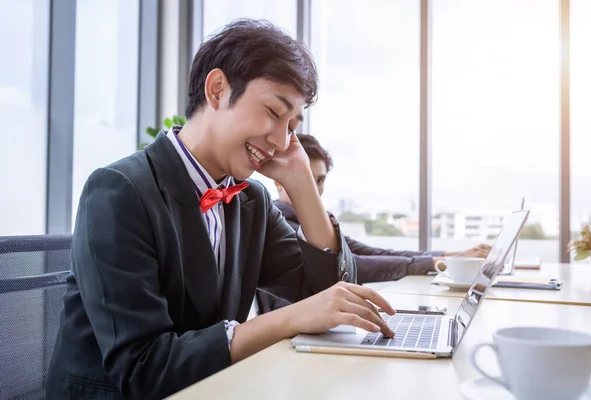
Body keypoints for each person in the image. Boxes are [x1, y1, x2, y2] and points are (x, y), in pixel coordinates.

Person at [46, 20, 397, 400]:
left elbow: (329, 295)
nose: (282, 142)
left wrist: (302, 186)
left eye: (292, 126)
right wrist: (287, 319)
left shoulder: (250, 201)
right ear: (217, 90)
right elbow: (144, 368)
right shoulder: (119, 191)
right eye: (274, 112)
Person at [255, 134, 490, 314]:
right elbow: (353, 264)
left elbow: (371, 252)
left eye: (319, 180)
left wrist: (450, 255)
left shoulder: (317, 223)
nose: (314, 189)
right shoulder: (277, 218)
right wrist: (435, 262)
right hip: (289, 336)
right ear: (278, 181)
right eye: (306, 178)